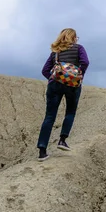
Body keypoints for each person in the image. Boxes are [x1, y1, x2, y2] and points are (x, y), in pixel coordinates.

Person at [36, 28, 89, 161]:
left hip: (55, 84)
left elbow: (44, 70)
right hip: (73, 85)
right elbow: (85, 62)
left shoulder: (55, 52)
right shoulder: (79, 48)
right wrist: (77, 75)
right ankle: (62, 140)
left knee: (49, 116)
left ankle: (42, 151)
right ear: (74, 37)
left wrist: (53, 78)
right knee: (70, 112)